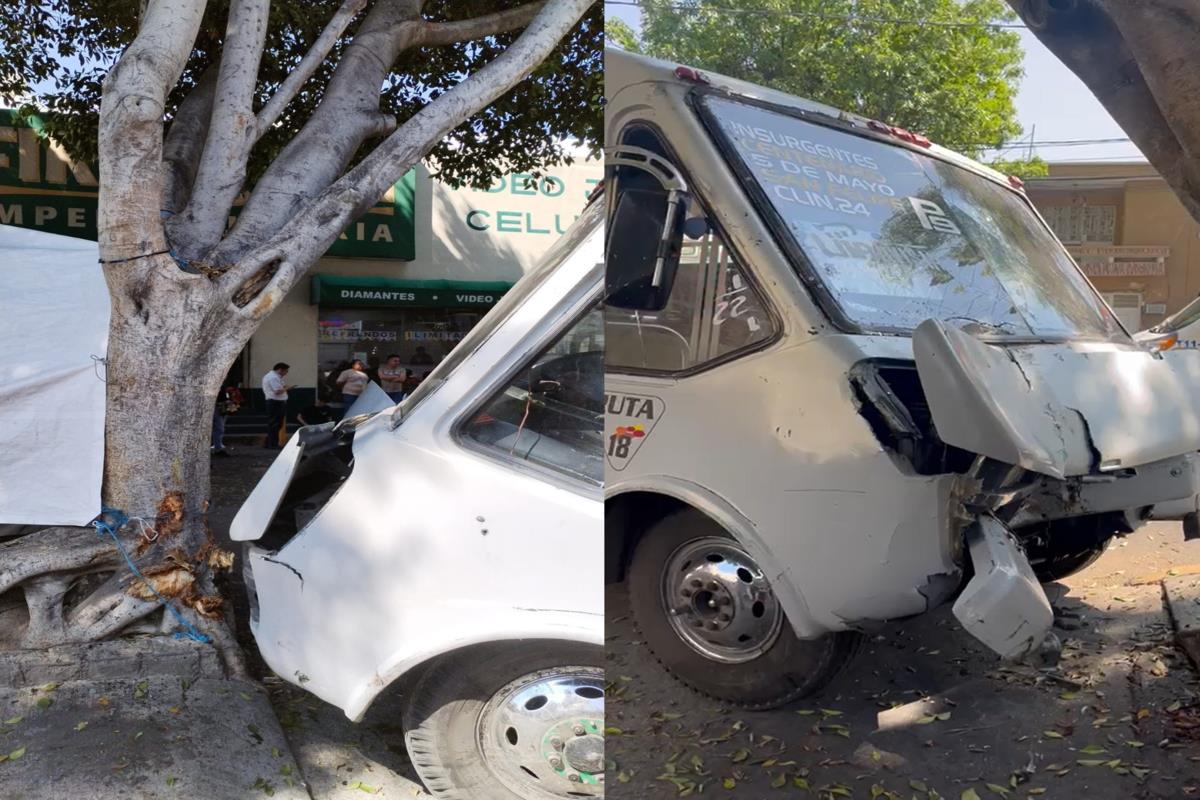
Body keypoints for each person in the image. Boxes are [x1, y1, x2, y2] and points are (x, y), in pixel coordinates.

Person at [262, 362, 293, 449]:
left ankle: (269, 442)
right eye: (285, 371)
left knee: (276, 423)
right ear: (280, 370)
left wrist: (285, 387)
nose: (286, 373)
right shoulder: (273, 378)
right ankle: (273, 444)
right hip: (275, 402)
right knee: (275, 423)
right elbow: (277, 391)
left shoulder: (275, 377)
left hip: (276, 402)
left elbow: (281, 386)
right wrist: (288, 388)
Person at [211, 383, 243, 457]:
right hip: (219, 407)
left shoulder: (222, 385)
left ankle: (218, 446)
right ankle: (218, 448)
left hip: (221, 407)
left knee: (219, 428)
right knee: (219, 428)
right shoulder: (219, 385)